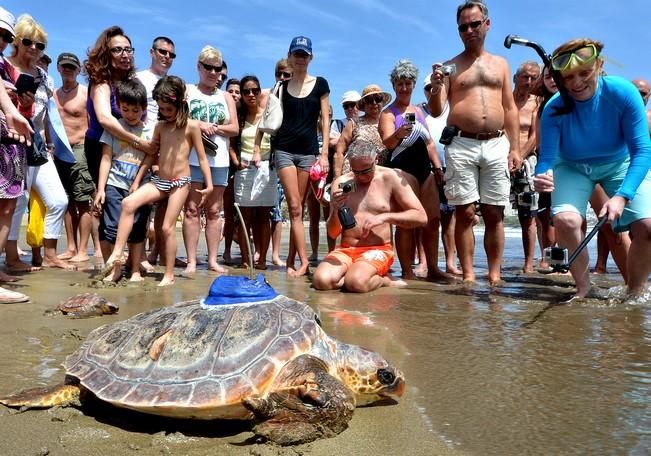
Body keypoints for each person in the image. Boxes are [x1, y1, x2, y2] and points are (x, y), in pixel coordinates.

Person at [534, 38, 651, 300]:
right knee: (566, 220)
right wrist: (542, 174)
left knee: (647, 226)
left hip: (618, 164)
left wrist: (622, 196)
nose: (576, 83)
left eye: (584, 73)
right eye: (569, 77)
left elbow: (642, 151)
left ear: (598, 66)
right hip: (572, 167)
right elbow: (547, 157)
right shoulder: (553, 108)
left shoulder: (623, 93)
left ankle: (635, 291)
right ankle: (584, 287)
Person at [428, 0, 521, 285]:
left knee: (495, 212)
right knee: (464, 213)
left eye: (474, 24)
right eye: (463, 27)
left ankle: (494, 274)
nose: (469, 30)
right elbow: (435, 109)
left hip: (496, 143)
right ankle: (468, 275)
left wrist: (516, 148)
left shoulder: (501, 64)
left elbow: (509, 107)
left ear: (487, 24)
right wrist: (434, 85)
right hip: (461, 143)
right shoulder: (449, 67)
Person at [101, 76, 213, 286]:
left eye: (168, 109)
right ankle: (117, 252)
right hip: (160, 180)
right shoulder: (160, 127)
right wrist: (136, 180)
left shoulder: (191, 127)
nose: (165, 113)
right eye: (161, 109)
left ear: (180, 103)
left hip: (180, 182)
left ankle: (168, 274)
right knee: (128, 203)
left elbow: (202, 157)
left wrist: (209, 185)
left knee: (166, 228)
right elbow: (152, 154)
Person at [256, 36, 330, 278]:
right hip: (284, 150)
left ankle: (291, 259)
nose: (300, 58)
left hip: (309, 152)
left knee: (299, 207)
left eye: (304, 54)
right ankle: (305, 261)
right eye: (296, 54)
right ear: (289, 56)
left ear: (311, 57)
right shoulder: (280, 88)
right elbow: (266, 117)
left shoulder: (321, 84)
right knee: (295, 207)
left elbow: (325, 121)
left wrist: (324, 154)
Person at [312, 142, 427, 292]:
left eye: (366, 170)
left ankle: (382, 280)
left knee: (356, 283)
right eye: (356, 171)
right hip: (347, 249)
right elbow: (333, 233)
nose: (361, 176)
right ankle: (356, 276)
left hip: (378, 249)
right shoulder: (341, 183)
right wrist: (336, 211)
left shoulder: (390, 177)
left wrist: (384, 217)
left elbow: (421, 216)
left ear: (376, 160)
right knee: (321, 281)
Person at [5, 14, 71, 271]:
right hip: (11, 142)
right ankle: (12, 258)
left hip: (38, 145)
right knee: (16, 203)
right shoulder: (5, 67)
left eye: (40, 45)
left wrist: (50, 143)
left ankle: (50, 255)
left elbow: (47, 115)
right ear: (16, 42)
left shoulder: (44, 76)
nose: (34, 48)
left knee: (58, 200)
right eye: (28, 42)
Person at [379, 59, 450, 282]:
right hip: (401, 170)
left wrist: (437, 167)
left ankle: (433, 268)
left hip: (424, 168)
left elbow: (429, 142)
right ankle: (407, 270)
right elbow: (388, 143)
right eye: (400, 83)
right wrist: (399, 133)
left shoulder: (418, 110)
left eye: (408, 83)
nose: (404, 88)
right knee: (406, 223)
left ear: (413, 84)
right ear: (393, 85)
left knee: (432, 220)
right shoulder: (388, 113)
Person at [182, 45, 238, 275]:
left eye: (217, 69)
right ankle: (192, 261)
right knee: (191, 210)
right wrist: (197, 125)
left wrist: (216, 129)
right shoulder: (187, 91)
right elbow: (175, 120)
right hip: (191, 158)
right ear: (199, 67)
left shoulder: (225, 96)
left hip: (219, 160)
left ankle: (213, 260)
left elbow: (234, 128)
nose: (213, 73)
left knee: (215, 211)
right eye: (208, 67)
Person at [93, 79, 152, 282]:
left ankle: (135, 269)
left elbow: (150, 158)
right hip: (114, 184)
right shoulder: (114, 127)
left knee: (137, 229)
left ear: (143, 108)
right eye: (125, 109)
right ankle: (114, 269)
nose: (130, 115)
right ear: (118, 105)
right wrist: (101, 188)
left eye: (135, 110)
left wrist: (137, 181)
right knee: (110, 228)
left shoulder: (149, 131)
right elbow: (106, 158)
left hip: (141, 186)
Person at [0, 7, 33, 301]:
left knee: (8, 206)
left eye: (5, 36)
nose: (1, 40)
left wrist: (16, 104)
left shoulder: (5, 68)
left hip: (9, 140)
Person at [52, 52, 97, 263]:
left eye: (72, 67)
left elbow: (94, 125)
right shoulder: (53, 95)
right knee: (66, 201)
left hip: (80, 148)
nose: (68, 70)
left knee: (82, 201)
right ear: (59, 68)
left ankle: (82, 250)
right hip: (59, 150)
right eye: (64, 66)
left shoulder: (86, 94)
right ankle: (70, 247)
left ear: (79, 70)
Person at [136, 36, 175, 269]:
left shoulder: (172, 83)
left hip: (166, 150)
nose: (166, 57)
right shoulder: (139, 78)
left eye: (171, 54)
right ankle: (139, 255)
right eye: (162, 52)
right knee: (141, 204)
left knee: (164, 205)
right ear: (152, 51)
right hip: (142, 147)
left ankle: (157, 253)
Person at [230, 75, 277, 269]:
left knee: (264, 216)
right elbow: (231, 144)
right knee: (245, 217)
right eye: (246, 91)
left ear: (259, 92)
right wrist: (235, 161)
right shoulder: (238, 118)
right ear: (241, 94)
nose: (251, 94)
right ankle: (245, 259)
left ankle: (263, 260)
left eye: (255, 90)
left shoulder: (269, 114)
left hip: (266, 167)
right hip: (244, 169)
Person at [422, 73, 461, 275]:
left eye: (435, 87)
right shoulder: (419, 110)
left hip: (451, 167)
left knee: (449, 217)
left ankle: (450, 262)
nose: (432, 91)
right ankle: (425, 262)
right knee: (428, 219)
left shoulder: (452, 110)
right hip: (426, 169)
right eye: (428, 88)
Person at [511, 61, 541, 273]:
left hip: (525, 162)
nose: (528, 82)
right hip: (498, 160)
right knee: (488, 211)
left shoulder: (536, 103)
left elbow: (535, 137)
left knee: (527, 214)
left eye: (533, 77)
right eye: (525, 77)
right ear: (515, 78)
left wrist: (518, 158)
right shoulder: (504, 101)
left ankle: (529, 262)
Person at [268, 58, 293, 267]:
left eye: (288, 75)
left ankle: (276, 254)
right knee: (264, 208)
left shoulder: (299, 98)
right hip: (269, 157)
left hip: (288, 157)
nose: (283, 79)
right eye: (280, 75)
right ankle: (261, 253)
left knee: (277, 209)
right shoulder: (268, 96)